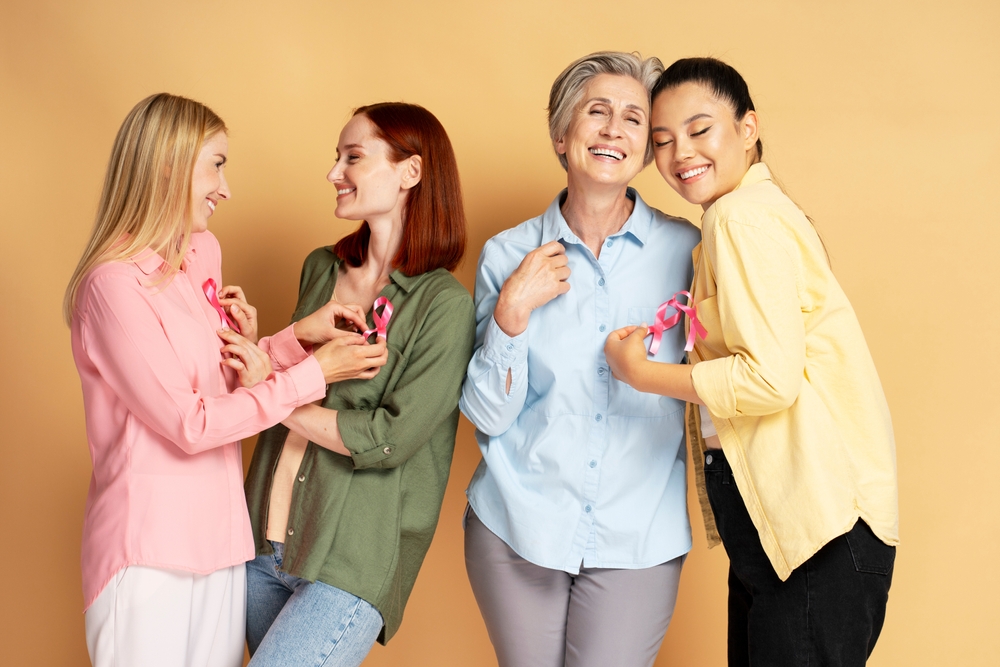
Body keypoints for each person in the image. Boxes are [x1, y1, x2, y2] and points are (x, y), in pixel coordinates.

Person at [66, 93, 382, 667]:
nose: (225, 187)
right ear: (168, 166)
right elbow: (190, 422)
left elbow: (220, 386)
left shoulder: (199, 253)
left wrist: (291, 341)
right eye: (216, 164)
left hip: (220, 541)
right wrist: (313, 375)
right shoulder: (112, 287)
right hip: (148, 552)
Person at [604, 57, 898, 666]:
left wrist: (640, 374)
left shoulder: (740, 218)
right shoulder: (740, 215)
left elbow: (769, 378)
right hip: (795, 529)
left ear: (747, 127)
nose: (680, 152)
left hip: (818, 527)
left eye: (700, 128)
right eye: (662, 140)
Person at [460, 52, 700, 667]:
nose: (613, 130)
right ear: (562, 135)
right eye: (597, 112)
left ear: (648, 147)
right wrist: (512, 312)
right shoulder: (507, 252)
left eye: (632, 118)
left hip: (638, 531)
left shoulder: (689, 251)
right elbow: (487, 415)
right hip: (517, 523)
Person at [243, 102, 475, 666]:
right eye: (336, 157)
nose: (333, 173)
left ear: (410, 173)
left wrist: (271, 395)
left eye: (353, 157)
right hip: (258, 541)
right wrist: (267, 353)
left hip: (350, 557)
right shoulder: (320, 268)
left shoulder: (443, 305)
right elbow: (286, 372)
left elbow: (389, 438)